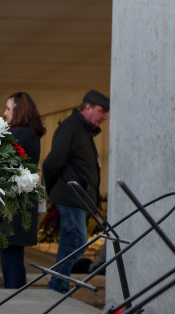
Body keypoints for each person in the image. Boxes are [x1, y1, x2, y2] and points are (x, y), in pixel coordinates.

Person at [42, 90, 109, 293]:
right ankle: (56, 287)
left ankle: (58, 288)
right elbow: (51, 163)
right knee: (77, 242)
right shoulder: (71, 128)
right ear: (87, 107)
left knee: (70, 243)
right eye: (102, 111)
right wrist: (51, 191)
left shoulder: (82, 130)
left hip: (76, 199)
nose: (105, 116)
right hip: (71, 198)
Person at [1, 92, 46, 288]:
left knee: (10, 257)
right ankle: (15, 292)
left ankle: (13, 296)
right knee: (14, 254)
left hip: (15, 204)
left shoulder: (18, 134)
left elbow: (2, 164)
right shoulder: (31, 133)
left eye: (9, 108)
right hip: (24, 202)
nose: (4, 113)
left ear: (19, 110)